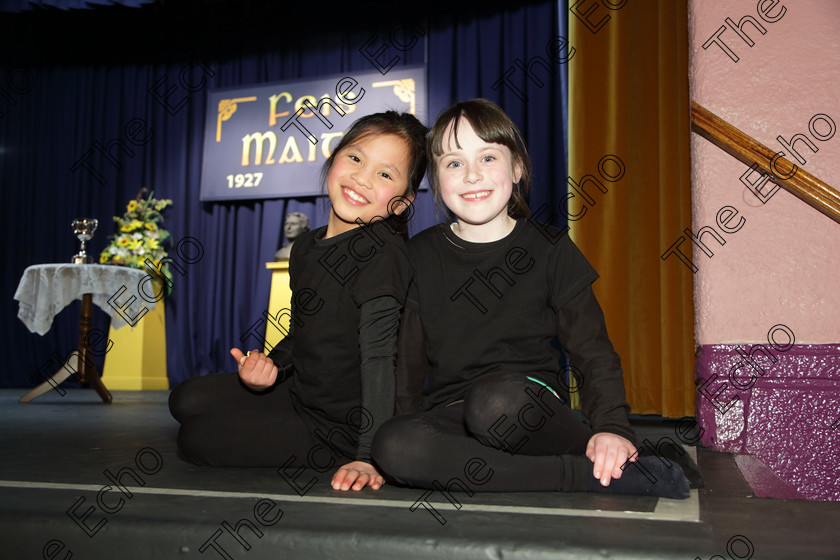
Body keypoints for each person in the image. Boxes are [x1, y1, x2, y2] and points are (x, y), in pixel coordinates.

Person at [372, 99, 690, 498]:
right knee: (393, 444)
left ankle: (596, 450)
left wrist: (611, 428)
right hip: (453, 412)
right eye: (454, 163)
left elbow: (592, 351)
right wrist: (404, 431)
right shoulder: (420, 254)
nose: (472, 175)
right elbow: (408, 360)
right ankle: (584, 475)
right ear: (436, 180)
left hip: (526, 404)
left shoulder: (550, 248)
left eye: (487, 157)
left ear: (517, 168)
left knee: (495, 404)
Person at [170, 111, 427, 492]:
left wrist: (368, 454)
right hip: (301, 393)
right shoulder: (307, 246)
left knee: (194, 439)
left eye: (385, 174)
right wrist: (272, 364)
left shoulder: (382, 254)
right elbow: (303, 333)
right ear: (334, 156)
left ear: (402, 202)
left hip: (339, 426)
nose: (361, 177)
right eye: (355, 158)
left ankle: (341, 447)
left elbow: (379, 360)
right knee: (184, 398)